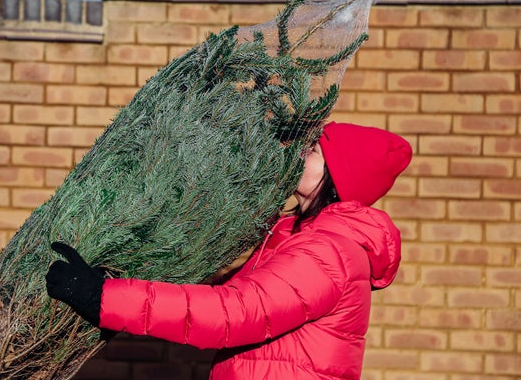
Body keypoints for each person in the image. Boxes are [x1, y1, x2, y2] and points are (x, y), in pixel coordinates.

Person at [46, 121, 412, 380]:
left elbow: (234, 313)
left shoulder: (327, 251)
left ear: (337, 173)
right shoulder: (297, 236)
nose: (300, 153)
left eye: (314, 150)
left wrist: (105, 298)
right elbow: (224, 296)